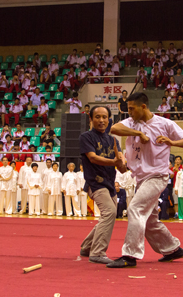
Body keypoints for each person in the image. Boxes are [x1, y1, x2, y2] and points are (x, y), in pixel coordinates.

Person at [108, 92, 183, 268]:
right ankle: (172, 249)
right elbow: (114, 129)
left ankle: (130, 256)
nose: (129, 112)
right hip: (140, 178)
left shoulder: (165, 123)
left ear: (143, 107)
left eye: (132, 108)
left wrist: (172, 142)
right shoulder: (131, 123)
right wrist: (138, 132)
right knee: (149, 220)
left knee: (135, 209)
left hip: (157, 176)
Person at [79, 106, 126, 264]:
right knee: (110, 212)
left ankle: (87, 247)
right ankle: (97, 252)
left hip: (109, 184)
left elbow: (120, 157)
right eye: (97, 117)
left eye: (104, 117)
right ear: (91, 119)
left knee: (109, 215)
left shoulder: (113, 140)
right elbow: (92, 158)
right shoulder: (86, 137)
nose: (101, 120)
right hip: (95, 182)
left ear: (109, 119)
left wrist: (123, 162)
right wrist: (115, 162)